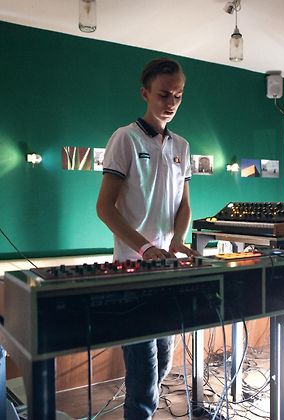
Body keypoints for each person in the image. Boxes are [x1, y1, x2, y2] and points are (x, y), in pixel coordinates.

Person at [96, 57, 197, 420]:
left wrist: (177, 239)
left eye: (178, 95)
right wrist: (146, 247)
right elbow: (105, 208)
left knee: (164, 362)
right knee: (143, 373)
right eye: (164, 94)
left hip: (166, 270)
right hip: (132, 270)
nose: (171, 102)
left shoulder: (182, 146)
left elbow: (184, 204)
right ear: (145, 93)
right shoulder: (125, 138)